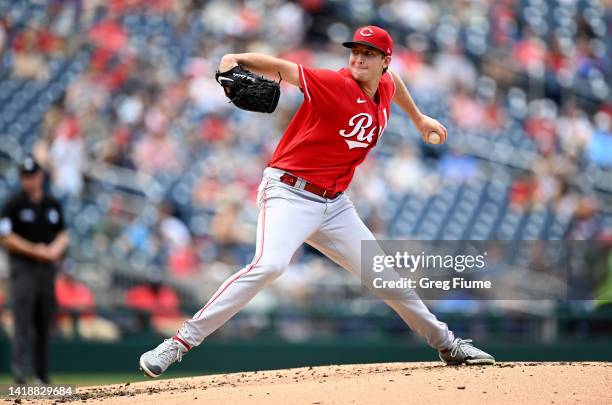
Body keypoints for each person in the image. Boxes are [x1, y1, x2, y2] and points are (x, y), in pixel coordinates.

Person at [139, 26, 495, 378]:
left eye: (368, 53)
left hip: (335, 205)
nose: (357, 57)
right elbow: (285, 69)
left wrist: (418, 119)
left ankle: (448, 345)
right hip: (289, 193)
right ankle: (179, 342)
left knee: (387, 278)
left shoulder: (384, 83)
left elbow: (394, 83)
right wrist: (236, 59)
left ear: (385, 60)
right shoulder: (335, 83)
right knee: (270, 265)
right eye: (354, 51)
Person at [0, 156, 69, 384]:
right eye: (24, 177)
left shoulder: (52, 204)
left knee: (44, 322)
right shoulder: (13, 204)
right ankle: (20, 375)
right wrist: (35, 250)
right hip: (23, 269)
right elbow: (6, 237)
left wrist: (53, 250)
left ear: (40, 176)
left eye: (32, 176)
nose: (28, 181)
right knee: (22, 321)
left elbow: (62, 234)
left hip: (46, 270)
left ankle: (41, 375)